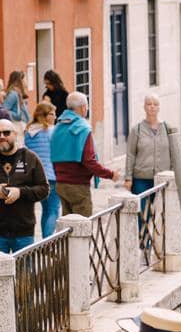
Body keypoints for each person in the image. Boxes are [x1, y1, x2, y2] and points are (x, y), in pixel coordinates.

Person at [51, 90, 116, 216]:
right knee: (83, 228)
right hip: (78, 185)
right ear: (83, 107)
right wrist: (110, 174)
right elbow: (89, 160)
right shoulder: (82, 128)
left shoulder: (58, 127)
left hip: (60, 183)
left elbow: (53, 156)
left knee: (68, 226)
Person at [124, 92, 171, 247]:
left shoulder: (168, 129)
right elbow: (130, 154)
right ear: (144, 107)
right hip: (141, 178)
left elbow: (175, 154)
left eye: (155, 104)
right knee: (141, 213)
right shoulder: (137, 129)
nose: (152, 107)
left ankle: (159, 244)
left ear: (159, 107)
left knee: (159, 213)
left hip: (162, 179)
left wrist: (175, 175)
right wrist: (128, 178)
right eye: (149, 104)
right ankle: (143, 242)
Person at [0, 117, 48, 253]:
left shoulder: (30, 158)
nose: (2, 137)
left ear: (15, 134)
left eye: (6, 133)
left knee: (25, 273)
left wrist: (20, 192)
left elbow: (44, 189)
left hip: (23, 232)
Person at [23, 102, 61, 238]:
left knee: (45, 210)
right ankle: (48, 242)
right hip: (52, 176)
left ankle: (45, 241)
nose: (55, 117)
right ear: (44, 115)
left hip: (35, 177)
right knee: (53, 211)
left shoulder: (28, 132)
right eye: (52, 114)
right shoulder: (52, 131)